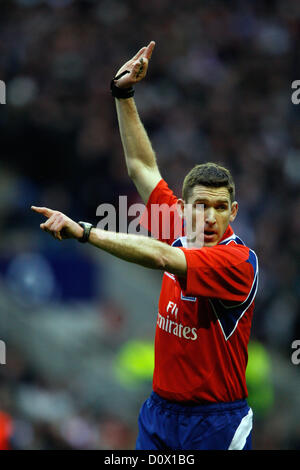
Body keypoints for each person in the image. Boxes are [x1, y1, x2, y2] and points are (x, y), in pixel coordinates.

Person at [31, 41, 258, 450]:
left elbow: (161, 256)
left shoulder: (238, 261)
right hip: (159, 413)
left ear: (234, 211)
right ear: (184, 208)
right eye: (200, 207)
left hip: (214, 423)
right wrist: (123, 95)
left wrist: (86, 232)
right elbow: (140, 166)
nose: (209, 218)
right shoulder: (177, 222)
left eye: (220, 208)